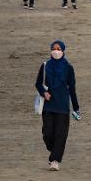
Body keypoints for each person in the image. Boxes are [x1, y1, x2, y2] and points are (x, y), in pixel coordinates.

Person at [35, 40, 80, 171]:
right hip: (48, 107)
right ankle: (54, 151)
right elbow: (38, 83)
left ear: (63, 51)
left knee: (61, 135)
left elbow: (72, 88)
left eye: (59, 49)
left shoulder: (68, 68)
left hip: (63, 107)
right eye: (54, 48)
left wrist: (76, 107)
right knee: (47, 134)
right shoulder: (45, 66)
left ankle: (55, 160)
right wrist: (44, 93)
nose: (56, 51)